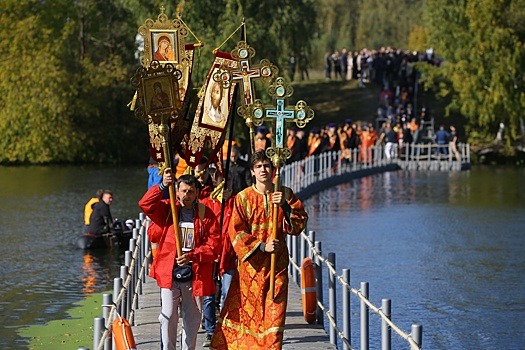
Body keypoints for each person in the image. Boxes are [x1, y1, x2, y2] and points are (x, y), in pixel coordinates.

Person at [211, 150, 308, 349]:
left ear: (273, 170)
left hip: (277, 266)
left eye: (267, 166)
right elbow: (236, 232)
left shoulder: (285, 194)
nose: (263, 170)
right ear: (252, 171)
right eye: (259, 166)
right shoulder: (243, 198)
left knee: (275, 316)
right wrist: (262, 246)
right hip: (251, 270)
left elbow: (298, 224)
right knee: (252, 317)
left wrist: (285, 207)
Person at [139, 171, 220, 350]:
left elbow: (214, 245)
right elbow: (145, 204)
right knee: (167, 316)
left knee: (192, 318)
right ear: (177, 191)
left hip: (195, 274)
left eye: (190, 191)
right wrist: (161, 186)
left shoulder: (205, 214)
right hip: (169, 272)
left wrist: (193, 255)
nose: (186, 195)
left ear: (197, 193)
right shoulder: (168, 209)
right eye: (183, 191)